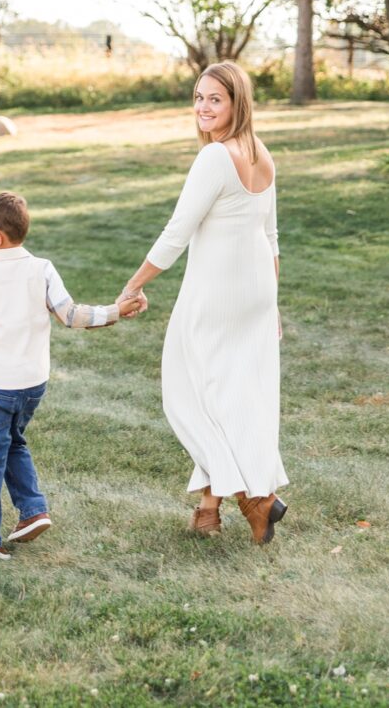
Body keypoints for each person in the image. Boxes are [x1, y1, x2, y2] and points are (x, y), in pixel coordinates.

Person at [116, 60, 287, 544]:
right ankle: (208, 509)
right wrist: (271, 302)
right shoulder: (262, 154)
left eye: (215, 99)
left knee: (188, 396)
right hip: (255, 291)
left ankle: (255, 499)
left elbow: (177, 232)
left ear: (237, 103)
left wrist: (134, 284)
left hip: (218, 293)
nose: (203, 108)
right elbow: (271, 239)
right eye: (198, 97)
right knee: (227, 398)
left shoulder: (216, 158)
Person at [0, 191, 145, 561]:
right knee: (13, 441)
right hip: (33, 384)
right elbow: (71, 315)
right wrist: (115, 310)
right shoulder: (43, 268)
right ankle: (33, 510)